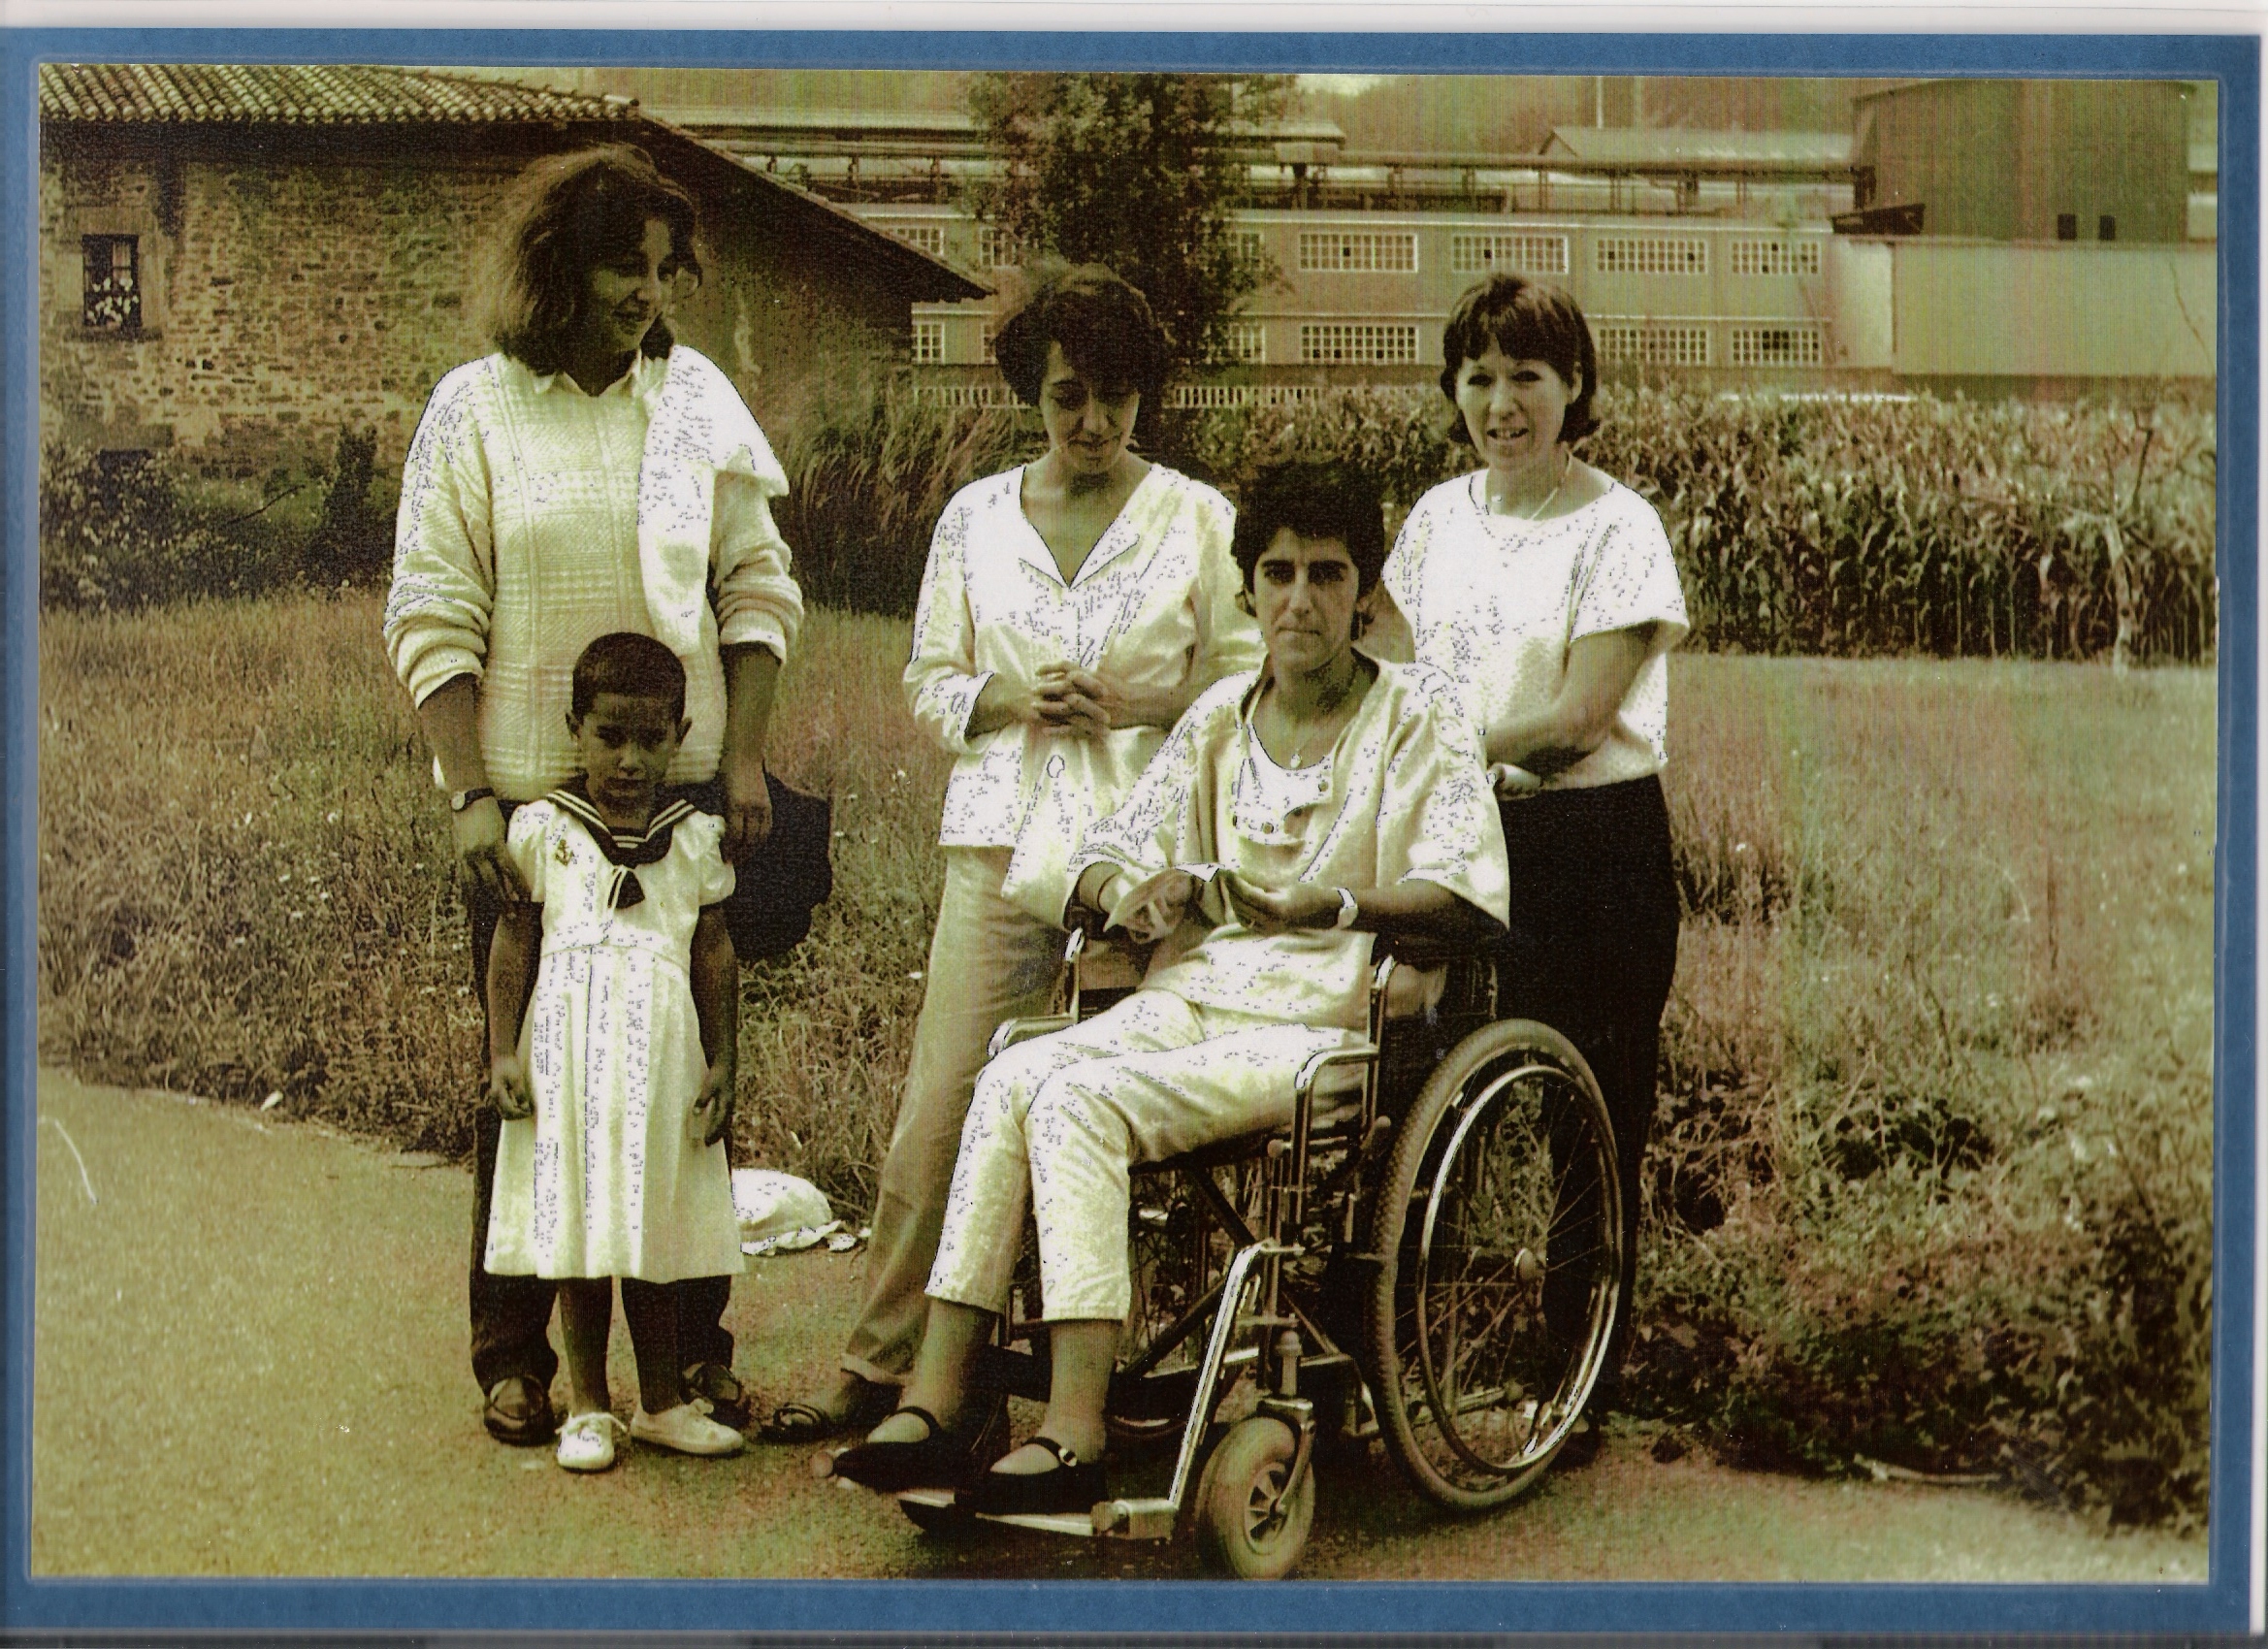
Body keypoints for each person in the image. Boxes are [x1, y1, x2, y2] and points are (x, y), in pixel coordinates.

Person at [828, 462, 1508, 1516]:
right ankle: (936, 1400)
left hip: (1319, 1023)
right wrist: (1126, 892)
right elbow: (1112, 847)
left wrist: (1329, 903)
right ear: (1248, 591)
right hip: (1191, 998)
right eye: (1277, 573)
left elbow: (1463, 893)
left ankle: (1074, 1432)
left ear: (1365, 593)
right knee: (1012, 1075)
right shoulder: (1219, 721)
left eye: (1326, 574)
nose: (1298, 599)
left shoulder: (1418, 716)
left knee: (1076, 1101)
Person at [761, 264, 1262, 1445]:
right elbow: (929, 678)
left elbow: (1248, 679)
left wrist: (1137, 701)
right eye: (1067, 395)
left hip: (1145, 859)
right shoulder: (975, 518)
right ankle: (885, 1363)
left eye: (1115, 396)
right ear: (1030, 394)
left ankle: (1147, 1378)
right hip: (998, 841)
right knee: (943, 1105)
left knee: (1132, 1118)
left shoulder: (1197, 517)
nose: (1092, 422)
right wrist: (1006, 697)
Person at [385, 146, 803, 1447]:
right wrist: (469, 792)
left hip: (677, 808)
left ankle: (690, 1358)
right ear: (555, 262)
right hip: (531, 817)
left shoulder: (695, 404)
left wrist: (741, 759)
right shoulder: (474, 410)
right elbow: (433, 608)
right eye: (624, 262)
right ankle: (517, 1357)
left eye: (664, 267)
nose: (647, 291)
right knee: (531, 1084)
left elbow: (756, 586)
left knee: (683, 1078)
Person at [1377, 273, 1688, 1459]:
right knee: (1410, 1086)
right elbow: (1395, 673)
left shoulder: (1619, 528)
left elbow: (1575, 719)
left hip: (1590, 845)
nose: (1501, 403)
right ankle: (1400, 1353)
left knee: (1586, 1110)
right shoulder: (1433, 519)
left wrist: (1437, 752)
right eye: (1478, 377)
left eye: (1527, 377)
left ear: (1575, 387)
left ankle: (1572, 1378)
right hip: (1457, 837)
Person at [484, 633, 747, 1471]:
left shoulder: (694, 838)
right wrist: (501, 1051)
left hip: (661, 1060)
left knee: (652, 1222)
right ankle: (590, 1406)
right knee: (578, 1224)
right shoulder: (544, 829)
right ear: (575, 729)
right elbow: (512, 942)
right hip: (568, 1058)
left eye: (650, 739)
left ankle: (662, 1401)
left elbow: (714, 954)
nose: (630, 760)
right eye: (609, 737)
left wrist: (724, 1060)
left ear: (679, 735)